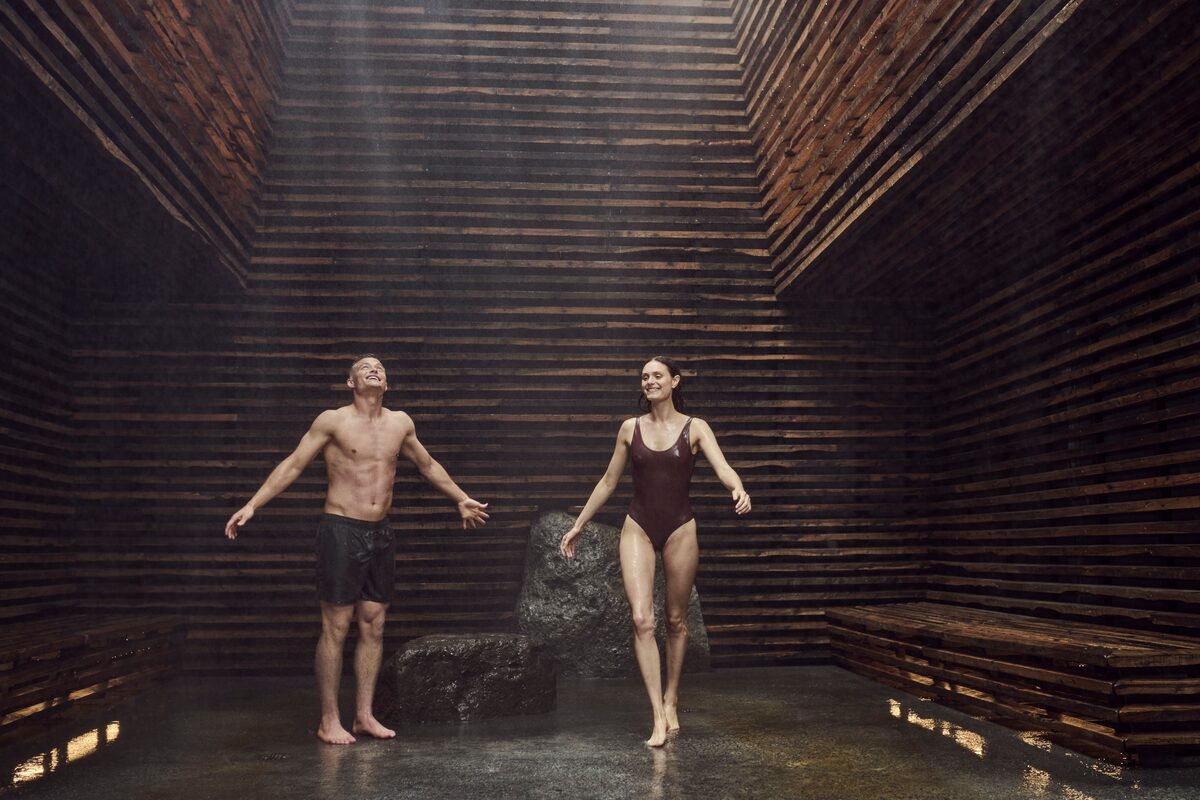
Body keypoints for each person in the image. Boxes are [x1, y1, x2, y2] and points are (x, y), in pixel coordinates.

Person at [223, 355, 489, 745]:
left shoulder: (401, 423)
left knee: (374, 624)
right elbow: (294, 464)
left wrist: (461, 498)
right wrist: (253, 504)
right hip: (341, 530)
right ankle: (329, 719)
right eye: (365, 366)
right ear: (350, 382)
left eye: (380, 366)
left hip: (380, 532)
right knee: (337, 625)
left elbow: (428, 465)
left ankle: (364, 715)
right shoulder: (333, 420)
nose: (374, 369)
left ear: (387, 384)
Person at [559, 356, 750, 747]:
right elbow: (609, 480)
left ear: (674, 381)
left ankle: (672, 697)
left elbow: (723, 467)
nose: (649, 381)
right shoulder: (630, 429)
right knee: (642, 619)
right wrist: (578, 523)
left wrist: (738, 487)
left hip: (681, 526)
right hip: (638, 526)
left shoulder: (695, 428)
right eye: (644, 377)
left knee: (676, 620)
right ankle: (658, 717)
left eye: (657, 375)